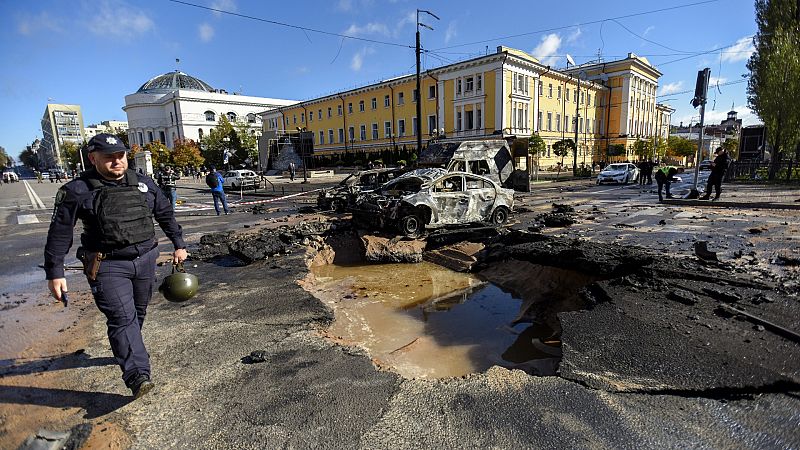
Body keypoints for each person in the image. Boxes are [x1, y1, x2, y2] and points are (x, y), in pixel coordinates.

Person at [43, 133, 187, 399]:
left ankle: (128, 348)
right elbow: (60, 231)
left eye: (120, 155)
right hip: (107, 265)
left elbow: (165, 213)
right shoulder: (77, 190)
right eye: (108, 157)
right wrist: (55, 271)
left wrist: (178, 243)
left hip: (145, 260)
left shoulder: (143, 184)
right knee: (122, 318)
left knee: (138, 312)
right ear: (92, 158)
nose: (116, 161)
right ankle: (137, 375)